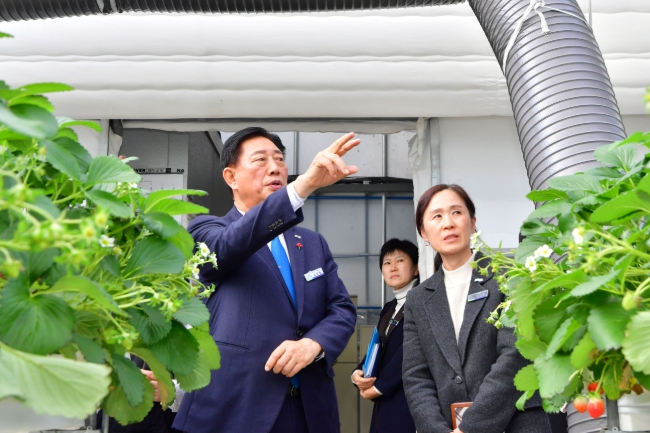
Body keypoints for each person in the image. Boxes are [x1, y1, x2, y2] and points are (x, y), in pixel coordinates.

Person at [172, 127, 358, 433]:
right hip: (235, 409)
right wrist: (302, 187)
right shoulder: (208, 230)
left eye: (280, 159)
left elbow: (341, 309)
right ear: (231, 177)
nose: (275, 168)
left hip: (308, 411)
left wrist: (314, 344)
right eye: (260, 160)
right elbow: (228, 247)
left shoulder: (312, 243)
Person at [402, 184, 552, 433]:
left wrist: (470, 428)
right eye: (437, 216)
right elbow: (415, 376)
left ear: (472, 223)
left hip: (518, 423)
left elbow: (513, 357)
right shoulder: (418, 299)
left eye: (456, 212)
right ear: (424, 233)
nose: (448, 223)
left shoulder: (510, 277)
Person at [351, 238, 419, 433]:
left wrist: (379, 387)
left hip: (409, 401)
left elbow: (410, 350)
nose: (393, 267)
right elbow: (377, 347)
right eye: (387, 263)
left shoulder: (421, 302)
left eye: (400, 261)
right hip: (386, 403)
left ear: (416, 268)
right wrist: (358, 374)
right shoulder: (390, 307)